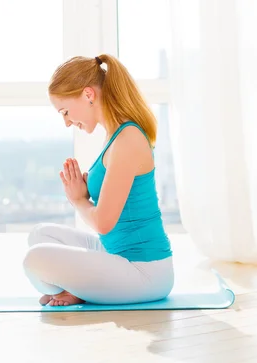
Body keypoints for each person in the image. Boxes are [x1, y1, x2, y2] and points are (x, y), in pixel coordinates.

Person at [23, 54, 174, 307]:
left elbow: (103, 223)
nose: (67, 122)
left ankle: (79, 288)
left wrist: (79, 200)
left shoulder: (127, 139)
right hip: (114, 253)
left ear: (88, 95)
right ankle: (81, 287)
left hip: (144, 271)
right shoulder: (115, 135)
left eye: (66, 111)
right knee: (40, 235)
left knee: (34, 259)